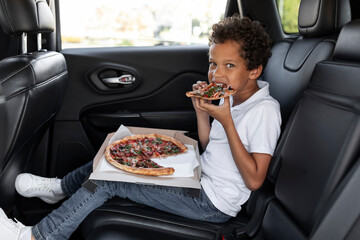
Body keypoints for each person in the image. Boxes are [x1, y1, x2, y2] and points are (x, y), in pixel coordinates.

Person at [0, 16, 281, 240]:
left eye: (228, 65)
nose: (216, 74)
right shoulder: (230, 97)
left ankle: (39, 236)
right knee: (122, 150)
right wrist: (201, 113)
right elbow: (211, 147)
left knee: (109, 179)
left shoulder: (264, 111)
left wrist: (227, 121)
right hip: (199, 177)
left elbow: (255, 180)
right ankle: (61, 188)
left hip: (211, 203)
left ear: (254, 70)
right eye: (212, 63)